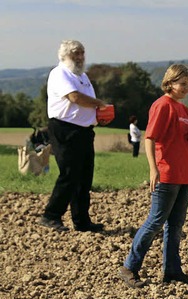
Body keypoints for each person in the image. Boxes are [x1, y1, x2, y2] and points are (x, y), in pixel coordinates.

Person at [119, 64, 188, 288]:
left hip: (186, 173)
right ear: (169, 83)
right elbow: (150, 138)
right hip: (167, 173)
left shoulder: (185, 111)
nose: (187, 88)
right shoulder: (162, 106)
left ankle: (172, 271)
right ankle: (129, 267)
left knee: (175, 226)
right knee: (156, 221)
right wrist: (153, 168)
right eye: (182, 84)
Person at [38, 40, 108, 232]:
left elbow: (84, 103)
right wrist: (100, 103)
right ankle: (51, 216)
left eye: (82, 53)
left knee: (84, 177)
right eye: (75, 53)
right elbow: (75, 98)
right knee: (69, 174)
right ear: (64, 55)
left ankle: (81, 221)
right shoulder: (59, 73)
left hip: (84, 131)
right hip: (65, 130)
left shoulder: (83, 76)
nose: (80, 57)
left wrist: (99, 116)